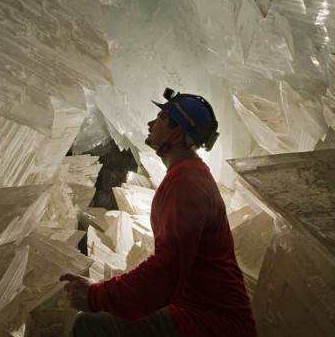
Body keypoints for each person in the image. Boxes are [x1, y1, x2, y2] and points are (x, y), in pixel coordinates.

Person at [60, 88, 257, 336]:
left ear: (176, 134)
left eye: (161, 119)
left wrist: (97, 296)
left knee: (87, 325)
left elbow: (166, 271)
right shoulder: (188, 174)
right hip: (201, 313)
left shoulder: (186, 182)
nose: (150, 124)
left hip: (210, 322)